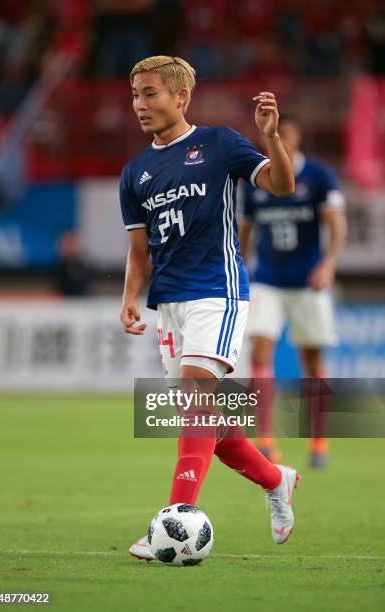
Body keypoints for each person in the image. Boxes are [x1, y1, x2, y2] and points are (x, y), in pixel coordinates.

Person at [119, 55, 299, 561]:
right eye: (135, 95)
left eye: (150, 93)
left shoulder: (218, 144)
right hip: (169, 305)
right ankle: (275, 479)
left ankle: (175, 522)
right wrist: (129, 296)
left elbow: (282, 186)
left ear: (181, 97)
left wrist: (272, 138)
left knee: (197, 390)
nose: (140, 104)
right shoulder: (136, 172)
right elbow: (139, 249)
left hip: (218, 291)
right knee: (205, 421)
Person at [239, 114, 347, 468]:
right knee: (260, 347)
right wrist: (240, 270)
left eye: (284, 133)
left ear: (297, 136)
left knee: (312, 359)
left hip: (307, 281)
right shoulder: (257, 180)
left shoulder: (317, 175)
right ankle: (266, 441)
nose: (278, 140)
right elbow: (246, 231)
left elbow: (336, 225)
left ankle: (318, 443)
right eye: (273, 135)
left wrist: (328, 265)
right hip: (267, 279)